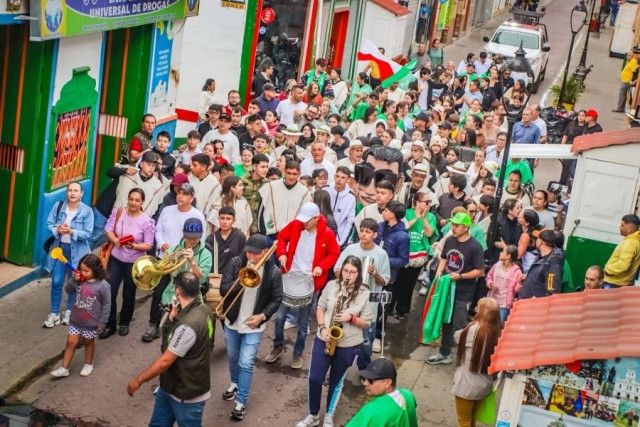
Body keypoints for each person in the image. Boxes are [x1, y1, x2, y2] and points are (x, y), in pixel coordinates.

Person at [127, 272, 213, 426]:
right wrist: (174, 320)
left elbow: (165, 361)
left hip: (186, 395)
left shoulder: (188, 325)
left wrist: (139, 380)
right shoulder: (205, 310)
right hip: (169, 388)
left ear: (177, 292)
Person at [296, 256, 373, 427]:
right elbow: (320, 308)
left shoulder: (365, 293)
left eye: (352, 272)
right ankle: (313, 414)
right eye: (345, 271)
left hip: (348, 343)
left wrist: (351, 318)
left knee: (336, 382)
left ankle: (329, 415)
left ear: (359, 273)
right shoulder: (332, 285)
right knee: (314, 378)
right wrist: (322, 328)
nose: (348, 275)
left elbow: (367, 322)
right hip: (324, 337)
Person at [268, 202, 340, 369]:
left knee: (303, 323)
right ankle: (277, 346)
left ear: (316, 218)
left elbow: (334, 253)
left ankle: (298, 353)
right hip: (290, 276)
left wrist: (321, 266)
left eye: (308, 220)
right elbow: (281, 237)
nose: (304, 223)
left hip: (310, 282)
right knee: (279, 318)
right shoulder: (295, 225)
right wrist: (282, 253)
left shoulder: (327, 234)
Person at [220, 235, 283, 420]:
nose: (251, 257)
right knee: (233, 357)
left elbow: (277, 299)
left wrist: (262, 316)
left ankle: (240, 402)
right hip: (233, 320)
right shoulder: (235, 263)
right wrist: (241, 281)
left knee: (246, 363)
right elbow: (223, 289)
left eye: (256, 253)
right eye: (249, 252)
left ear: (265, 252)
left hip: (254, 325)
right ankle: (235, 383)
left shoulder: (273, 272)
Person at [142, 184, 205, 343]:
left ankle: (181, 326)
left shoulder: (197, 215)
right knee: (158, 292)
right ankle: (153, 324)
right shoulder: (167, 210)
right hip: (166, 259)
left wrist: (191, 258)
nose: (180, 196)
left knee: (183, 294)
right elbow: (158, 230)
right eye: (179, 193)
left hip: (185, 262)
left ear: (192, 198)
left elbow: (201, 239)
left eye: (185, 194)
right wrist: (162, 243)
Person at [427, 213, 484, 365]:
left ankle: (467, 357)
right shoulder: (450, 240)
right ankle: (445, 353)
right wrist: (440, 270)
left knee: (460, 324)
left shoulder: (475, 246)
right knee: (446, 321)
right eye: (453, 224)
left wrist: (461, 276)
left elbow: (480, 271)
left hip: (463, 292)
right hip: (447, 288)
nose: (453, 228)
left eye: (457, 225)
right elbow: (444, 257)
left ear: (466, 227)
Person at [334, 218, 390, 369]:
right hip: (347, 302)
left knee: (366, 344)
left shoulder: (381, 254)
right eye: (362, 230)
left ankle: (364, 371)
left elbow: (384, 281)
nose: (363, 234)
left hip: (368, 305)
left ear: (375, 234)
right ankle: (339, 370)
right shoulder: (350, 249)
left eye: (368, 232)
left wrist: (375, 274)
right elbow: (336, 271)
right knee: (342, 339)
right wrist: (346, 271)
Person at [100, 188, 155, 339]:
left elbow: (148, 244)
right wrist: (116, 240)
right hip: (116, 259)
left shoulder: (146, 221)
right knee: (110, 291)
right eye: (131, 199)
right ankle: (110, 324)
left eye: (137, 200)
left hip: (134, 263)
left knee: (128, 294)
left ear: (142, 202)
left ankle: (124, 323)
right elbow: (108, 229)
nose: (133, 203)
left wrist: (135, 246)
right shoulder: (118, 212)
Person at [50, 254, 111, 378]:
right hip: (76, 319)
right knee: (70, 342)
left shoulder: (103, 285)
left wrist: (102, 322)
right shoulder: (79, 280)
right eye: (81, 270)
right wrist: (74, 280)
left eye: (86, 271)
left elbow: (106, 304)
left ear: (96, 270)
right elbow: (68, 290)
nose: (83, 273)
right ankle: (64, 368)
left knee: (88, 342)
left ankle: (88, 364)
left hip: (91, 322)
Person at [44, 182, 94, 328]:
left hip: (78, 253)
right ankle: (54, 313)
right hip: (59, 250)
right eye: (70, 190)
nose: (72, 193)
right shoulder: (58, 206)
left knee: (74, 283)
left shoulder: (87, 211)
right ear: (67, 193)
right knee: (56, 282)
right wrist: (57, 229)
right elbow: (49, 224)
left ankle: (69, 311)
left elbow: (88, 233)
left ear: (81, 193)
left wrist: (72, 232)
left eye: (76, 191)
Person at [452, 298, 501, 426]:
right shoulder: (498, 332)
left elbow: (457, 336)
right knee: (472, 419)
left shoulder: (473, 329)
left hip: (466, 386)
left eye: (477, 308)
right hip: (484, 385)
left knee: (464, 421)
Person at [392, 192, 436, 320]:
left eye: (429, 202)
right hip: (403, 252)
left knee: (409, 284)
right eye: (426, 202)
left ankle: (401, 310)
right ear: (416, 202)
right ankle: (389, 307)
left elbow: (429, 234)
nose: (428, 205)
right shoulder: (406, 212)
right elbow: (402, 228)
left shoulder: (431, 217)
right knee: (396, 281)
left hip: (418, 255)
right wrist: (416, 217)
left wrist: (424, 218)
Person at [346, 358, 418, 427]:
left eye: (370, 380)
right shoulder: (408, 395)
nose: (365, 383)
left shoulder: (372, 411)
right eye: (364, 379)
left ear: (387, 383)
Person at [258, 160, 312, 238]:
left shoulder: (305, 192)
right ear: (284, 172)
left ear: (299, 174)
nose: (291, 177)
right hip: (270, 234)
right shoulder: (270, 187)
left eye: (295, 174)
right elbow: (261, 212)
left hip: (292, 235)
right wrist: (262, 233)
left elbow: (306, 216)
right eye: (289, 173)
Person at [113, 151, 164, 217]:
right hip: (119, 215)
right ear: (141, 164)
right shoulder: (130, 172)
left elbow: (156, 206)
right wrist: (125, 170)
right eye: (148, 165)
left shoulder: (158, 185)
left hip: (138, 219)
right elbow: (110, 172)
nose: (151, 168)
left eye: (153, 166)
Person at [519, 229, 564, 299]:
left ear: (541, 242)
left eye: (537, 238)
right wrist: (529, 277)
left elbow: (551, 292)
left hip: (534, 304)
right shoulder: (541, 256)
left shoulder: (553, 264)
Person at [205, 206, 247, 276]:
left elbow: (244, 259)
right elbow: (207, 261)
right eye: (222, 218)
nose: (224, 222)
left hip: (234, 277)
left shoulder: (240, 237)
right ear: (218, 219)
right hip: (215, 277)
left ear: (234, 220)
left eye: (228, 219)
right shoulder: (211, 238)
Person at [486, 245, 522, 324]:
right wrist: (491, 284)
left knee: (498, 324)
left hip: (504, 304)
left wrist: (521, 282)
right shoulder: (497, 265)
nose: (500, 253)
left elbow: (517, 289)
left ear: (508, 256)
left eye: (503, 252)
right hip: (492, 300)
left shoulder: (517, 271)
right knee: (487, 322)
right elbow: (488, 277)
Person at [603, 214, 640, 288]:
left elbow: (623, 264)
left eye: (622, 225)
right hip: (620, 282)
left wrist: (607, 270)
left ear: (629, 229)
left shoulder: (630, 243)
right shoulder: (635, 240)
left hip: (615, 283)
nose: (620, 227)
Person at [325, 167, 356, 248]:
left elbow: (349, 221)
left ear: (348, 180)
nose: (339, 179)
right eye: (337, 176)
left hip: (337, 239)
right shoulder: (325, 189)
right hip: (321, 234)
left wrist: (341, 242)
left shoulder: (351, 197)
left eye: (343, 177)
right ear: (334, 176)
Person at [241, 153, 269, 234]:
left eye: (267, 167)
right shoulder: (242, 181)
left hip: (260, 227)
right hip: (244, 225)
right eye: (262, 167)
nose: (265, 170)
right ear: (254, 167)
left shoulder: (268, 184)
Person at [188, 153, 221, 218]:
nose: (191, 167)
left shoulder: (214, 184)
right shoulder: (189, 179)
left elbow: (216, 206)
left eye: (194, 165)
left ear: (203, 167)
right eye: (191, 165)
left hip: (206, 219)